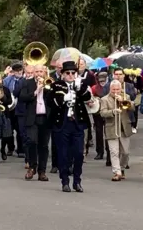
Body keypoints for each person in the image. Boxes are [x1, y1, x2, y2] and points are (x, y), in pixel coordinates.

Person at [47, 61, 91, 193]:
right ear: (63, 74)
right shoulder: (56, 85)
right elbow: (50, 102)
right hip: (62, 123)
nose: (71, 75)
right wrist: (63, 98)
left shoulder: (80, 84)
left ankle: (77, 181)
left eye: (73, 73)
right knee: (63, 154)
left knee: (78, 154)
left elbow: (87, 98)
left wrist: (81, 89)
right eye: (68, 73)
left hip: (77, 124)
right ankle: (65, 181)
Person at [19, 64, 51, 181]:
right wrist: (36, 91)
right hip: (32, 118)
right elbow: (22, 97)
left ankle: (42, 171)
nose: (38, 74)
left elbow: (54, 99)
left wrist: (47, 88)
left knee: (44, 145)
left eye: (41, 71)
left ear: (45, 72)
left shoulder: (49, 83)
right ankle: (32, 167)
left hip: (45, 118)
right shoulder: (28, 83)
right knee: (32, 141)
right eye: (36, 71)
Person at [99, 80, 134, 181]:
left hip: (124, 128)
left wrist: (123, 101)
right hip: (112, 128)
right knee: (114, 152)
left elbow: (132, 108)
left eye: (117, 89)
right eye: (113, 90)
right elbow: (102, 113)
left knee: (125, 152)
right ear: (110, 89)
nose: (115, 92)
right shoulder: (104, 99)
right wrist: (113, 112)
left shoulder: (126, 96)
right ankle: (117, 172)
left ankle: (122, 168)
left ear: (121, 89)